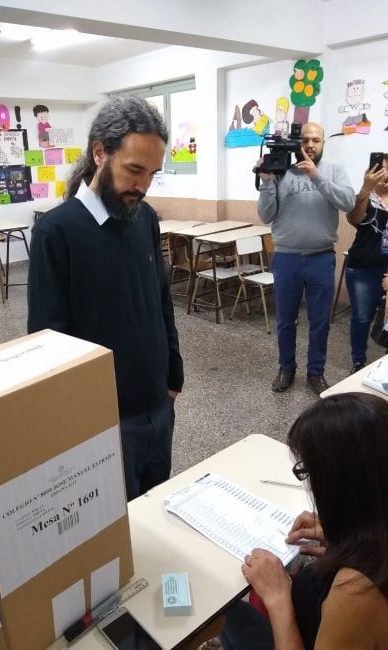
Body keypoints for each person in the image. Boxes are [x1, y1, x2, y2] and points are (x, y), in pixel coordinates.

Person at [27, 95, 184, 501]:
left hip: (157, 403)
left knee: (155, 504)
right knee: (117, 523)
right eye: (134, 170)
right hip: (103, 419)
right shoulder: (57, 233)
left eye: (152, 173)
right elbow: (47, 341)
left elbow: (160, 299)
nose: (143, 185)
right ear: (100, 152)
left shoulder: (144, 217)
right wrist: (77, 422)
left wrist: (173, 375)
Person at [201, 392, 388, 650]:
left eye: (308, 472)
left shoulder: (356, 593)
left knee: (228, 611)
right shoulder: (373, 538)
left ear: (338, 487)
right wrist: (344, 538)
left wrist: (278, 598)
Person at [257, 122, 356, 395]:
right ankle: (286, 368)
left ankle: (316, 372)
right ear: (297, 142)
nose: (310, 145)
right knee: (286, 320)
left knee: (320, 321)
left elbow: (348, 203)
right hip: (286, 257)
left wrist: (316, 177)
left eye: (316, 140)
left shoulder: (334, 170)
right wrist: (266, 182)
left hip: (321, 259)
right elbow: (266, 216)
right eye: (306, 140)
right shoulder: (280, 170)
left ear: (323, 143)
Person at [345, 155, 388, 374]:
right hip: (363, 268)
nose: (385, 173)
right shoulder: (365, 197)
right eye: (381, 169)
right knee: (361, 317)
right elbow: (354, 219)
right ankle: (358, 361)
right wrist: (365, 188)